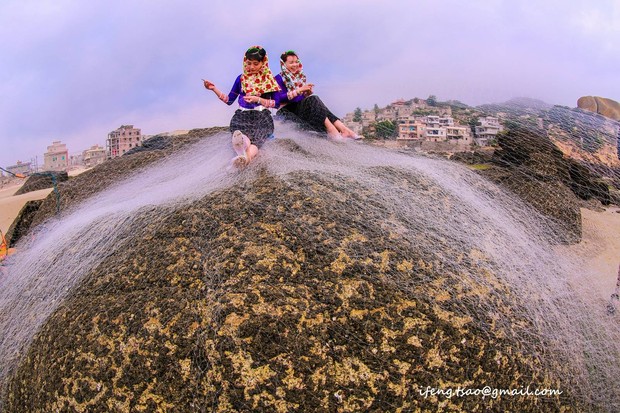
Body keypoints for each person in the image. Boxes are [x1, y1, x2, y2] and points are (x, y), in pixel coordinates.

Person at [203, 46, 280, 167]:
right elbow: (229, 100)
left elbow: (277, 103)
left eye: (256, 63)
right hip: (242, 115)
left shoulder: (269, 80)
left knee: (258, 138)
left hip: (261, 116)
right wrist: (214, 89)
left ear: (263, 62)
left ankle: (245, 157)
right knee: (241, 135)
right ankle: (242, 150)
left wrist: (258, 99)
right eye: (249, 63)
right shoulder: (241, 79)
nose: (252, 67)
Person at [275, 50, 361, 140]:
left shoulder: (298, 78)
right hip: (286, 111)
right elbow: (277, 99)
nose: (295, 65)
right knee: (313, 99)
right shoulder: (278, 78)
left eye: (296, 62)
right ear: (283, 64)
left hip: (297, 109)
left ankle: (344, 129)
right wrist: (299, 90)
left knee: (314, 100)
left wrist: (305, 94)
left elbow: (298, 100)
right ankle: (333, 130)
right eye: (291, 63)